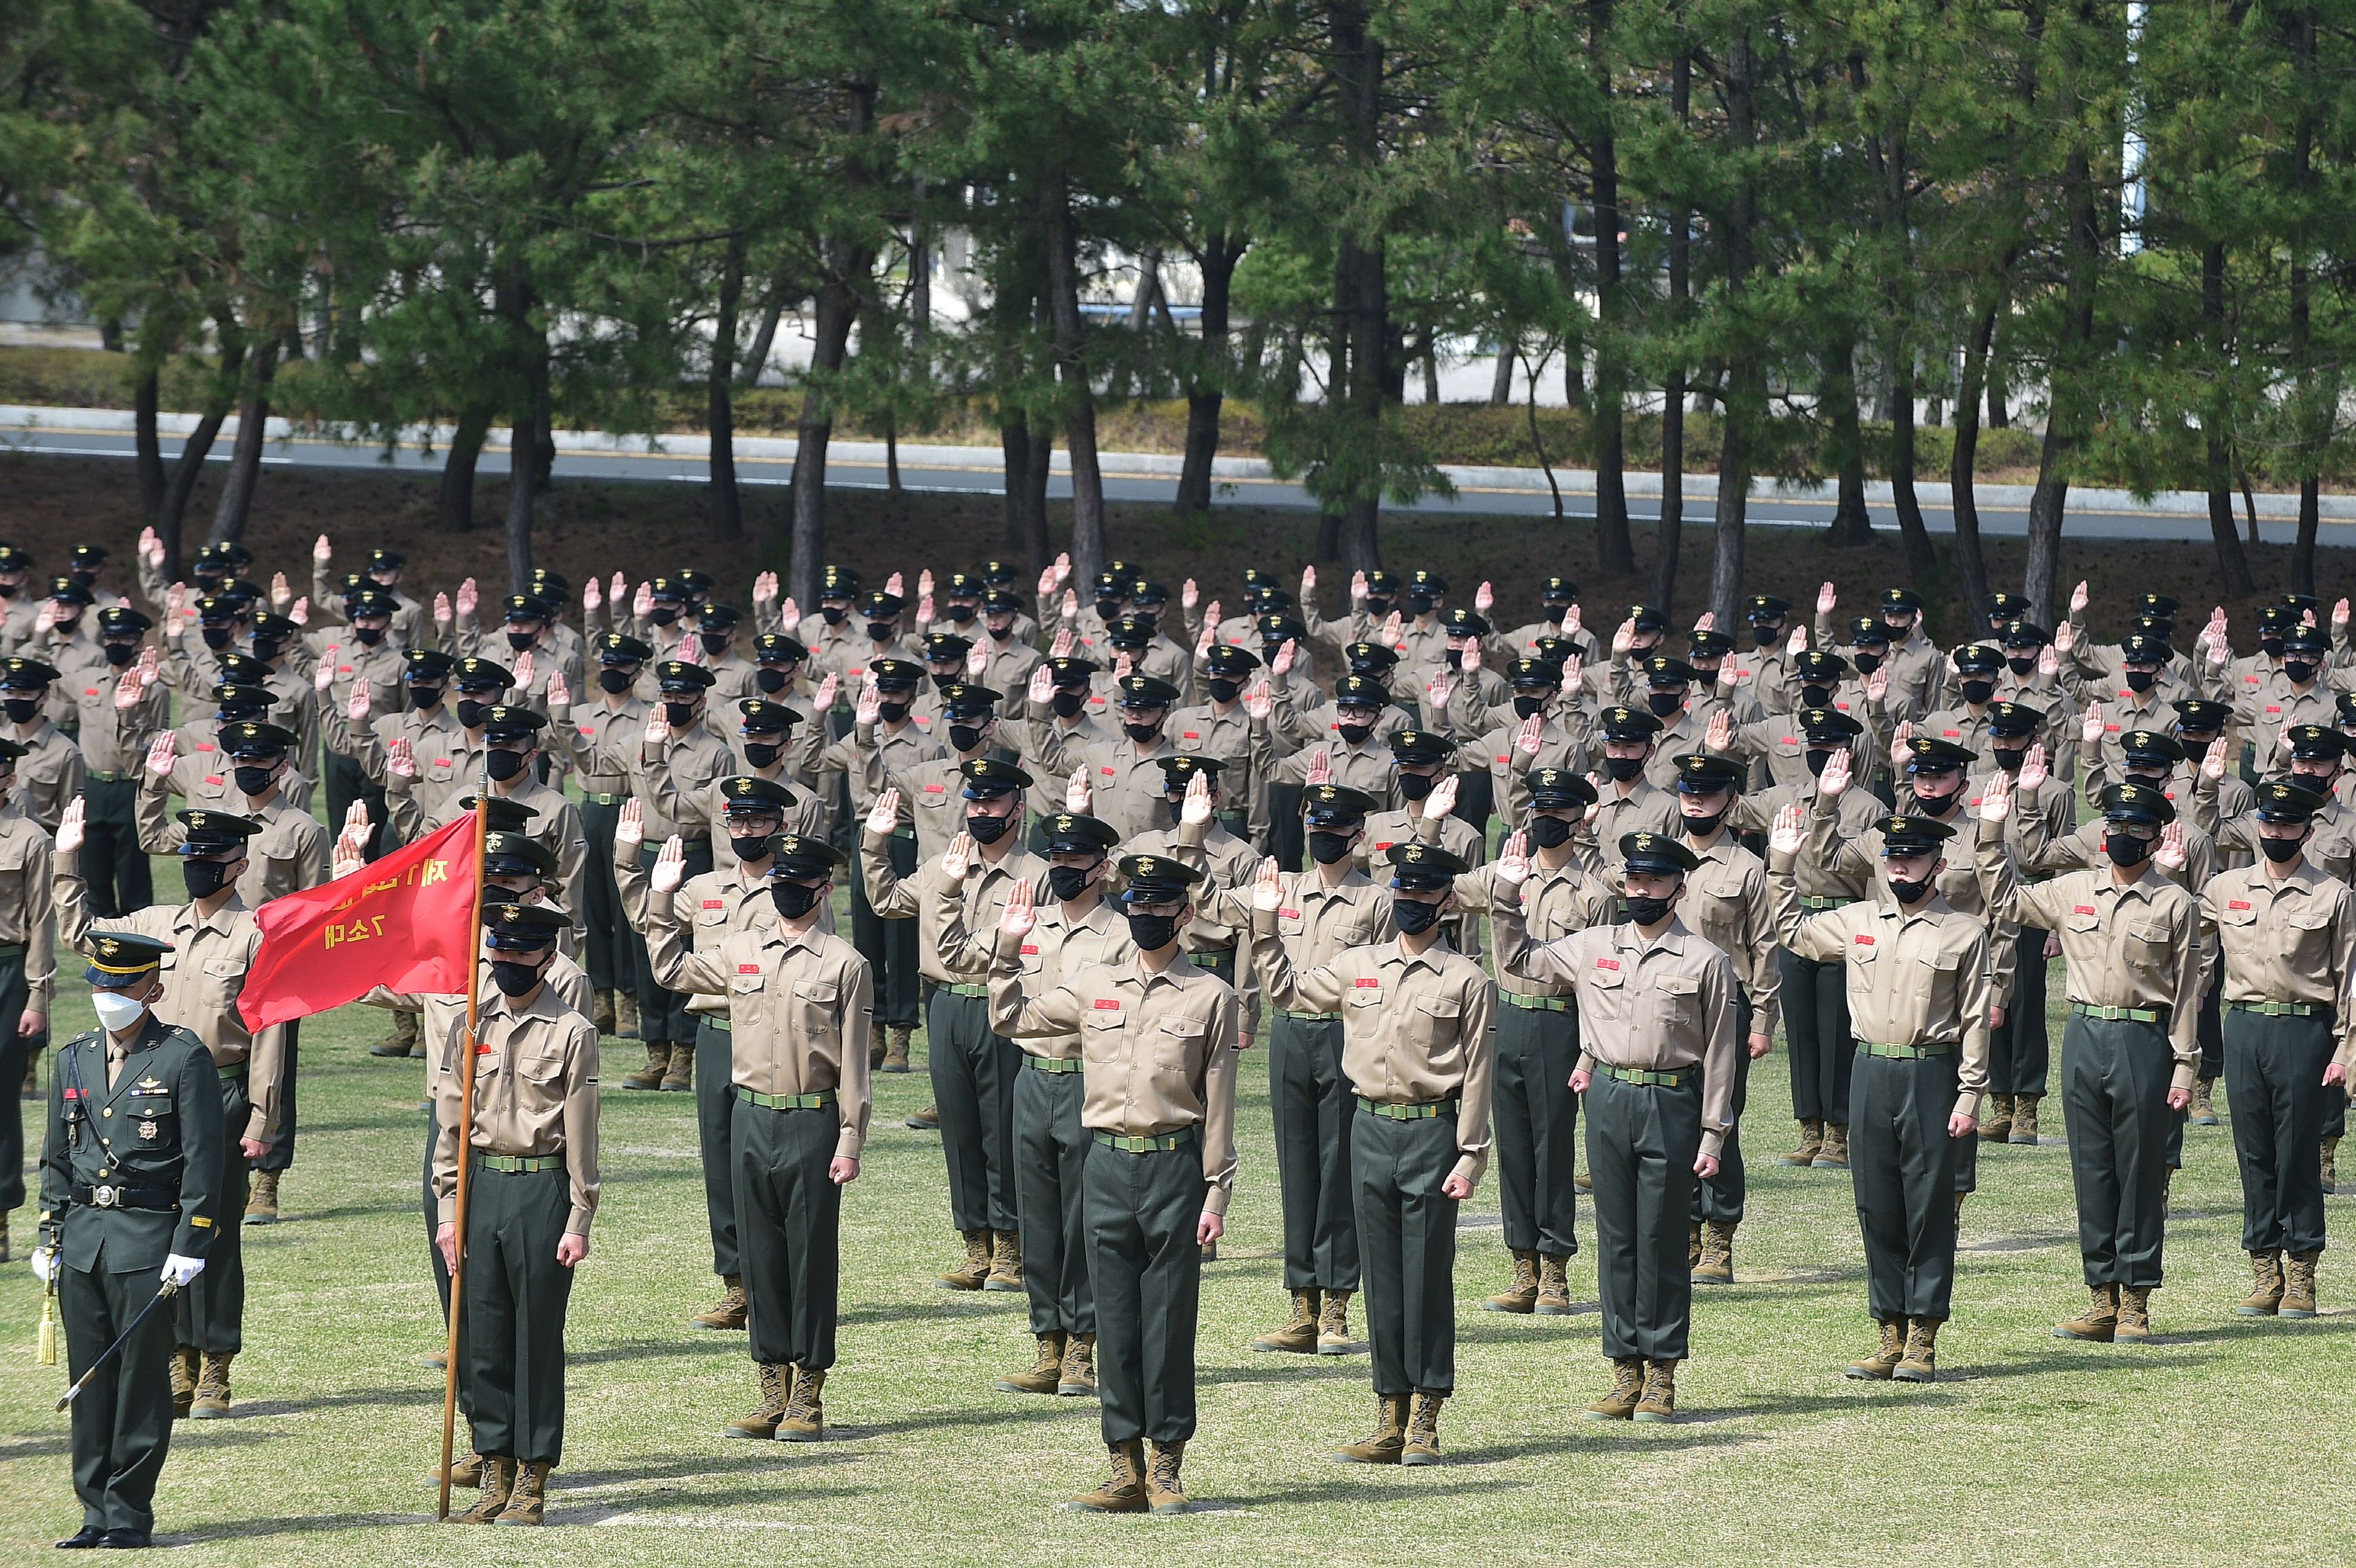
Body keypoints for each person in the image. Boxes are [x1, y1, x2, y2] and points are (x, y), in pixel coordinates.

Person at [991, 855, 1241, 1515]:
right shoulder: (1090, 984)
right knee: (1116, 1321)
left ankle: (1166, 1467)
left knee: (1168, 1321)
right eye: (1137, 904)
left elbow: (1219, 1105)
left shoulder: (1211, 996)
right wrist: (1007, 947)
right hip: (1104, 1163)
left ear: (1184, 914)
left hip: (1174, 1167)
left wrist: (1217, 1192)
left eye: (1160, 907)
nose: (1145, 916)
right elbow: (1010, 1019)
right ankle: (1122, 1466)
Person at [1251, 842, 1494, 1467]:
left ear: (1445, 901)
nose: (1410, 902)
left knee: (1425, 1278)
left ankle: (1427, 1417)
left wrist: (1470, 1155)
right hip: (1369, 1128)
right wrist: (1266, 923)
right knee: (1384, 1278)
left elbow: (1477, 1075)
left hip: (1432, 1134)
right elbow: (1286, 992)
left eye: (1422, 894)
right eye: (1402, 892)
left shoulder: (1468, 979)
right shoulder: (1358, 965)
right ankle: (1389, 1413)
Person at [1490, 830, 1739, 1425]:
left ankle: (1661, 1375)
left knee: (1661, 1238)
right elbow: (1521, 959)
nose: (1640, 890)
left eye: (1654, 881)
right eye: (1633, 880)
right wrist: (1505, 893)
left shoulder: (1706, 960)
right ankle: (1624, 1368)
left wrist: (1714, 1134)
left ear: (1678, 888)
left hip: (1673, 1102)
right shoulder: (1593, 944)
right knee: (1617, 1238)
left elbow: (1722, 1056)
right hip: (1607, 1099)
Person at [55, 801, 283, 1421]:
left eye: (211, 860)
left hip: (223, 1093)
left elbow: (269, 1030)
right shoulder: (157, 921)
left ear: (238, 863)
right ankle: (176, 1354)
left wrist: (264, 1117)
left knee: (214, 1232)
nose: (199, 868)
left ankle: (216, 1364)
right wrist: (67, 862)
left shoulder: (256, 933)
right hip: (148, 1098)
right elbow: (82, 935)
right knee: (155, 1228)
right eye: (191, 858)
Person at [644, 830, 870, 1443]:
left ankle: (809, 1392)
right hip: (750, 1114)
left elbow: (854, 1064)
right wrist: (662, 904)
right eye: (781, 884)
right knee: (761, 1254)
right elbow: (670, 970)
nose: (788, 894)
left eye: (800, 885)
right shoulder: (741, 948)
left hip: (812, 1120)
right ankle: (771, 1386)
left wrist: (850, 1138)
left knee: (810, 1257)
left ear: (824, 889)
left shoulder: (846, 964)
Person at [1766, 809, 1991, 1382]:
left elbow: (1974, 1021)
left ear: (1937, 866)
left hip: (1932, 1074)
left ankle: (1923, 1334)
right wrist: (1783, 864)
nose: (1899, 867)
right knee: (1876, 1203)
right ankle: (1888, 1329)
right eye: (1892, 858)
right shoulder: (1859, 918)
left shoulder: (1964, 931)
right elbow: (1792, 931)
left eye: (1911, 858)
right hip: (1869, 1069)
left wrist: (1969, 1096)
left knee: (1930, 1207)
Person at [1976, 774, 2200, 1343]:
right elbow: (2003, 898)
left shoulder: (2175, 902)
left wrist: (2184, 1065)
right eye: (2117, 825)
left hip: (2144, 1041)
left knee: (2140, 1173)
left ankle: (2136, 1302)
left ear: (2155, 838)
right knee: (2092, 1171)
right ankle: (2100, 1297)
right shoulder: (2072, 889)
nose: (2125, 835)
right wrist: (1992, 828)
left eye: (2138, 828)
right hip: (2084, 1035)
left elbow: (2187, 991)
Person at [31, 931, 225, 1549]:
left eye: (122, 985)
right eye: (99, 984)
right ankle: (93, 1511)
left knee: (142, 1382)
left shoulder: (180, 1056)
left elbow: (203, 1161)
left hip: (148, 1240)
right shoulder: (75, 1055)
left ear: (154, 989)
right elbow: (58, 1157)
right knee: (90, 1382)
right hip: (84, 1240)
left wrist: (190, 1241)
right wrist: (51, 1233)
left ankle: (128, 1513)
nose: (107, 995)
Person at [1194, 784, 1394, 1352]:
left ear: (1357, 836)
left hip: (1346, 1035)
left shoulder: (1377, 902)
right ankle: (1302, 1304)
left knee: (1339, 1169)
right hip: (1290, 1035)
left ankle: (1336, 1305)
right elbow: (1206, 902)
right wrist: (1193, 833)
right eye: (1316, 825)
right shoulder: (1278, 889)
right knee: (1298, 1168)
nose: (1323, 836)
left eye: (1335, 828)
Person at [430, 902, 600, 1526]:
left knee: (535, 1340)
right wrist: (449, 1207)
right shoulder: (471, 1021)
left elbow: (583, 1133)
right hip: (482, 1189)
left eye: (519, 954)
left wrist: (580, 1217)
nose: (505, 963)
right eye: (497, 952)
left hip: (542, 1189)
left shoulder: (573, 1031)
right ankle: (494, 1466)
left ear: (547, 957)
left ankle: (532, 1475)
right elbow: (451, 1121)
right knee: (485, 1338)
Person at [862, 761, 1049, 1291]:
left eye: (992, 803)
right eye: (974, 802)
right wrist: (876, 843)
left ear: (1018, 808)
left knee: (1005, 1126)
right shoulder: (946, 863)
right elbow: (885, 900)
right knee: (960, 1129)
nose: (980, 812)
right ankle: (975, 1245)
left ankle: (1012, 1245)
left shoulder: (1037, 874)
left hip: (1004, 1005)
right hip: (945, 1004)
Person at [2175, 780, 2356, 1318]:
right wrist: (2162, 870)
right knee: (2254, 1152)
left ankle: (2302, 1272)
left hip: (2306, 1030)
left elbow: (2351, 980)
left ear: (2308, 829)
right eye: (2268, 823)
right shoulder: (2226, 886)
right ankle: (2264, 1268)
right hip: (2245, 1028)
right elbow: (2171, 921)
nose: (2276, 833)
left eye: (2287, 824)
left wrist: (2347, 1048)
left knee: (2298, 1150)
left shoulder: (2333, 895)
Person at [966, 811, 1129, 1396]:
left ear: (1102, 867)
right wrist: (1007, 939)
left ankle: (1084, 1344)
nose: (1062, 869)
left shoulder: (1125, 936)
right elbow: (959, 957)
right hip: (1033, 1079)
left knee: (1085, 1218)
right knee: (1038, 1216)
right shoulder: (1027, 924)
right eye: (1055, 859)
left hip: (1092, 1082)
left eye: (1074, 860)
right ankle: (1048, 1340)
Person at [1446, 769, 1611, 1314]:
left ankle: (1556, 1268)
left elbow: (1598, 982)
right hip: (1506, 1018)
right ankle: (1523, 1266)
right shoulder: (1503, 874)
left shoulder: (1595, 892)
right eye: (1537, 810)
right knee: (1513, 1147)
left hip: (1561, 1023)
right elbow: (1438, 885)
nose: (1543, 821)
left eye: (1555, 813)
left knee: (1552, 1146)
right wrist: (1430, 825)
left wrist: (1589, 1053)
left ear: (1576, 819)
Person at [0, 737, 54, 1264]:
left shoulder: (29, 838)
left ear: (8, 779)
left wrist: (37, 996)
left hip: (8, 969)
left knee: (0, 1094)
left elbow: (41, 921)